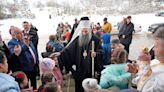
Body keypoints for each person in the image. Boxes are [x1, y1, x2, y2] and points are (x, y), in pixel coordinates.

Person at [55, 17, 104, 92]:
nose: (84, 33)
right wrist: (60, 54)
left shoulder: (95, 40)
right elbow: (68, 50)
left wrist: (96, 54)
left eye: (86, 31)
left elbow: (101, 52)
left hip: (90, 70)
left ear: (89, 30)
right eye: (83, 31)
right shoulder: (77, 40)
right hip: (79, 70)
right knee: (79, 88)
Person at [126, 27, 164, 92]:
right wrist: (136, 71)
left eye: (156, 46)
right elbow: (141, 81)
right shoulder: (156, 61)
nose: (153, 49)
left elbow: (147, 89)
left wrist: (144, 64)